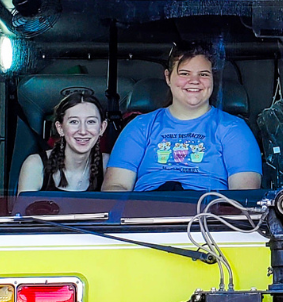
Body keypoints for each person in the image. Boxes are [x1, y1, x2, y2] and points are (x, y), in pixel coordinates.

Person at [103, 41, 262, 191]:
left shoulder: (234, 128)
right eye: (185, 73)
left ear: (213, 79)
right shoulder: (140, 126)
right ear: (167, 77)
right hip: (147, 213)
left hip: (209, 215)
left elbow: (243, 196)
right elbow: (116, 187)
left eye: (203, 74)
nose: (194, 81)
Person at [19, 91, 109, 191]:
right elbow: (24, 206)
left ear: (102, 127)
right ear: (60, 128)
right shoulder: (36, 164)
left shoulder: (108, 164)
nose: (83, 131)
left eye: (91, 121)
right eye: (74, 122)